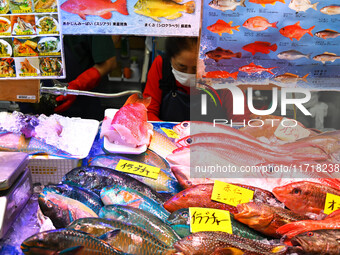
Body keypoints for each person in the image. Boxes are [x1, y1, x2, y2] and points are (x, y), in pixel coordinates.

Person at [143, 37, 251, 122]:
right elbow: (148, 112)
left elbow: (241, 121)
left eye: (196, 68)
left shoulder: (223, 72)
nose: (189, 74)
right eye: (181, 67)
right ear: (171, 58)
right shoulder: (161, 65)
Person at [54, 35, 117, 120]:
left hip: (81, 107)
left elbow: (109, 63)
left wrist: (78, 85)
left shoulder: (91, 22)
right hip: (35, 107)